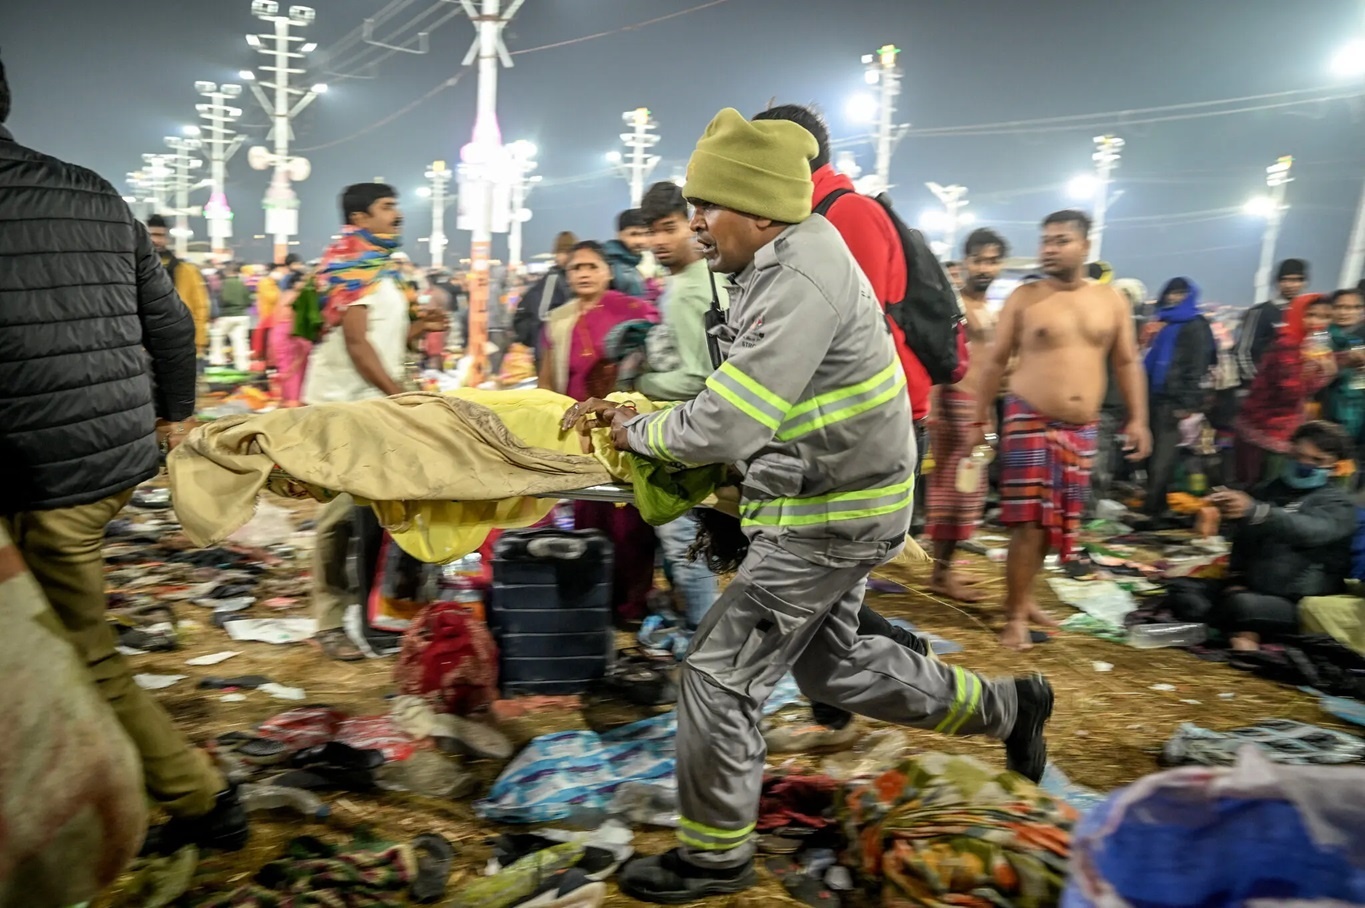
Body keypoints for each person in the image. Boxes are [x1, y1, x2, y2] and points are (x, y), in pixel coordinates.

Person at [563, 108, 1054, 903]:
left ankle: (715, 856)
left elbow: (729, 419)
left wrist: (638, 428)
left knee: (717, 679)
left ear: (758, 209)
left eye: (706, 208)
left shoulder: (797, 276)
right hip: (833, 498)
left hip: (830, 513)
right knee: (835, 663)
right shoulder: (781, 257)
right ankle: (1008, 708)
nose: (694, 225)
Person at [0, 55, 247, 855]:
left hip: (39, 474)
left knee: (82, 651)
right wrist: (173, 417)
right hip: (108, 458)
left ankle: (201, 802)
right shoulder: (89, 188)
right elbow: (171, 326)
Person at [973, 210, 1151, 651]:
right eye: (1045, 240)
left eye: (1061, 240)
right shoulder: (1026, 296)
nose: (1049, 248)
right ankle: (1014, 614)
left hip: (1082, 428)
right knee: (1029, 524)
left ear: (1085, 246)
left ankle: (1025, 598)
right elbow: (995, 361)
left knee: (1055, 527)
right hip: (1029, 418)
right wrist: (982, 416)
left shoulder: (1111, 300)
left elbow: (1127, 362)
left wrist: (1139, 418)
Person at [306, 183, 446, 661]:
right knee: (337, 515)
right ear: (361, 217)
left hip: (378, 403)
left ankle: (374, 610)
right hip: (341, 405)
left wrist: (420, 328)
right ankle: (329, 620)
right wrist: (397, 395)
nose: (398, 214)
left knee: (374, 511)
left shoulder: (387, 267)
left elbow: (389, 339)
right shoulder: (347, 264)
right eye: (388, 207)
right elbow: (356, 343)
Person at [540, 240, 660, 621]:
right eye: (577, 268)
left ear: (608, 271)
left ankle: (633, 603)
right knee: (588, 516)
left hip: (626, 427)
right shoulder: (558, 321)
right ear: (568, 275)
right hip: (580, 432)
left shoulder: (633, 310)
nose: (585, 273)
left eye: (592, 266)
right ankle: (596, 602)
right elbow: (548, 380)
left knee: (631, 522)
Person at [633, 180, 725, 626]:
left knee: (683, 542)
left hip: (688, 434)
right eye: (651, 231)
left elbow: (700, 375)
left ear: (692, 224)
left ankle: (701, 649)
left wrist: (640, 378)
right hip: (689, 430)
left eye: (668, 228)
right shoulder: (689, 281)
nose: (658, 241)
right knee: (686, 544)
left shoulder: (692, 288)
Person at [1195, 422, 1356, 650]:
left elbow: (1308, 531)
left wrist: (1257, 511)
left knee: (1241, 606)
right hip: (1253, 589)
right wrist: (1236, 579)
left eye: (1317, 461)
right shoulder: (1269, 490)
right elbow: (1244, 541)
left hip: (1298, 601)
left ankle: (1244, 631)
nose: (1304, 464)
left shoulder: (1339, 505)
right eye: (1298, 455)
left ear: (1335, 466)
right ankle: (1245, 629)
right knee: (1185, 590)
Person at [926, 228, 1008, 602]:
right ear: (965, 263)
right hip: (953, 405)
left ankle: (944, 570)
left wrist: (988, 415)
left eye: (992, 260)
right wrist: (932, 404)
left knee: (970, 492)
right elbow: (938, 355)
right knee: (953, 492)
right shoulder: (955, 304)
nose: (985, 267)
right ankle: (940, 575)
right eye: (978, 259)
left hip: (980, 410)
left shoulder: (990, 310)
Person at [1235, 293, 1337, 486]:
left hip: (1280, 426)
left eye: (1324, 317)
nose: (1318, 322)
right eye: (1311, 315)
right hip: (1267, 427)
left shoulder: (1308, 344)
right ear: (1297, 314)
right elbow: (1291, 392)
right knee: (1263, 483)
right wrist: (1323, 374)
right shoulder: (1288, 345)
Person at [1143, 277, 1216, 515]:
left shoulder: (1195, 325)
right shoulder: (1163, 323)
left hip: (1174, 401)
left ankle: (1154, 509)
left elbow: (1198, 365)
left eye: (1181, 294)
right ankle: (1156, 503)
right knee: (1153, 455)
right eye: (1172, 293)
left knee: (1163, 458)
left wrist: (1187, 404)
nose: (1175, 298)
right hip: (1155, 396)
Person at [145, 213, 212, 360]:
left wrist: (199, 343)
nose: (155, 240)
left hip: (181, 346)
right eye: (151, 235)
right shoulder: (135, 270)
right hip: (147, 348)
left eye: (159, 235)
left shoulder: (186, 271)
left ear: (166, 238)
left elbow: (201, 307)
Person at [1235, 258, 1310, 385]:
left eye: (1297, 280)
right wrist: (1257, 384)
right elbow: (1242, 351)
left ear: (1304, 282)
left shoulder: (1311, 312)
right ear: (1277, 282)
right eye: (1285, 280)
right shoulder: (1260, 312)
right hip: (1268, 388)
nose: (1290, 285)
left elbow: (1322, 342)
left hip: (1303, 388)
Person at [512, 230, 577, 357]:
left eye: (569, 252)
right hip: (550, 350)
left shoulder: (567, 278)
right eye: (562, 252)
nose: (566, 257)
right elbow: (542, 316)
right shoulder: (553, 279)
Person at [1321, 288, 1365, 448]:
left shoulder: (1360, 336)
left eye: (1353, 307)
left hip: (1358, 406)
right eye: (1339, 307)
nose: (1345, 312)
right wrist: (1343, 362)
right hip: (1328, 404)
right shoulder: (1321, 334)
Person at [212, 261, 254, 371]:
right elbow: (248, 300)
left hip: (227, 315)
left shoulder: (224, 284)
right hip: (242, 316)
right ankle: (243, 366)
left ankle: (217, 361)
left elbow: (222, 299)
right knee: (240, 341)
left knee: (217, 337)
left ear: (227, 271)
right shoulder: (242, 284)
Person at [602, 209, 650, 299]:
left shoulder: (628, 262)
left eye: (646, 234)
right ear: (619, 235)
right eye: (633, 234)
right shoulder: (613, 265)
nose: (640, 241)